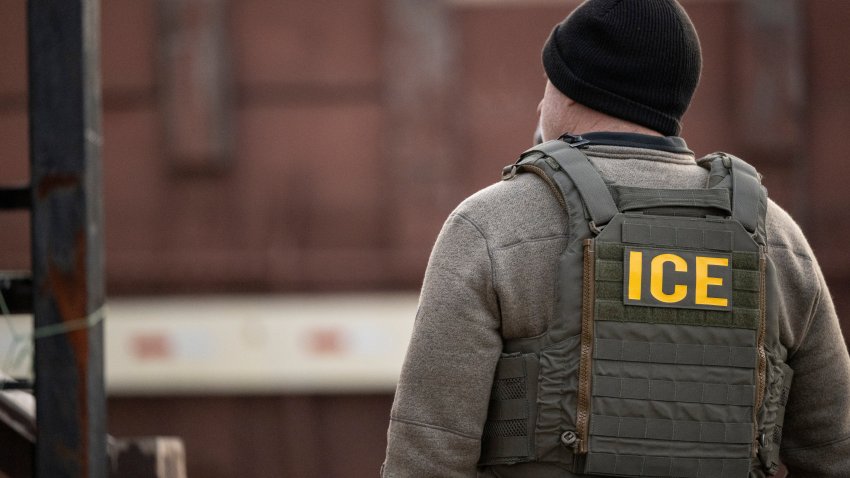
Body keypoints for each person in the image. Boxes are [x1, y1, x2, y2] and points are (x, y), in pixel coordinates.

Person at [381, 0, 850, 476]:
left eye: (548, 85)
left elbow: (427, 454)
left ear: (570, 90)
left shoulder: (492, 226)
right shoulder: (775, 236)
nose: (541, 105)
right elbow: (834, 451)